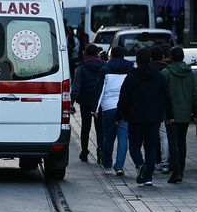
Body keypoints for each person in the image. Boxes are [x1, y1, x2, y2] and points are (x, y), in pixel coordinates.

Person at [116, 47, 174, 187]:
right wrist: (170, 115)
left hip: (135, 118)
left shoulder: (131, 77)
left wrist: (119, 116)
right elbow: (167, 97)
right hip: (154, 118)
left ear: (137, 60)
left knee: (134, 145)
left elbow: (123, 99)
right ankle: (148, 177)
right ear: (150, 60)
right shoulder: (159, 77)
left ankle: (140, 165)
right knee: (151, 147)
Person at [94, 46, 132, 175]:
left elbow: (100, 91)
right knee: (123, 137)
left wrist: (96, 109)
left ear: (111, 55)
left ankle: (107, 162)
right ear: (123, 55)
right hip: (125, 108)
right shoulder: (131, 68)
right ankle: (119, 166)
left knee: (108, 136)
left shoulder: (105, 69)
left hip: (109, 107)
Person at [162, 47, 197, 183]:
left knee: (172, 142)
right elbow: (195, 94)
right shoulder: (190, 73)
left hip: (171, 113)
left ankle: (175, 170)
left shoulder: (166, 73)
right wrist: (194, 111)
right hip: (185, 112)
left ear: (171, 57)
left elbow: (163, 95)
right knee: (182, 142)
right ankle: (181, 169)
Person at [71, 44, 106, 162]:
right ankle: (100, 151)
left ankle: (84, 151)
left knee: (85, 127)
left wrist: (71, 102)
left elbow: (76, 86)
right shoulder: (104, 66)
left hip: (85, 100)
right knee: (100, 127)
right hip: (100, 101)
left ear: (85, 53)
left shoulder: (82, 67)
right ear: (97, 53)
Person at [150, 46, 171, 173]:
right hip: (162, 108)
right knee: (164, 136)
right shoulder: (166, 70)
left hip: (149, 108)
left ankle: (153, 161)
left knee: (151, 136)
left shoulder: (148, 69)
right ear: (163, 57)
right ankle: (165, 162)